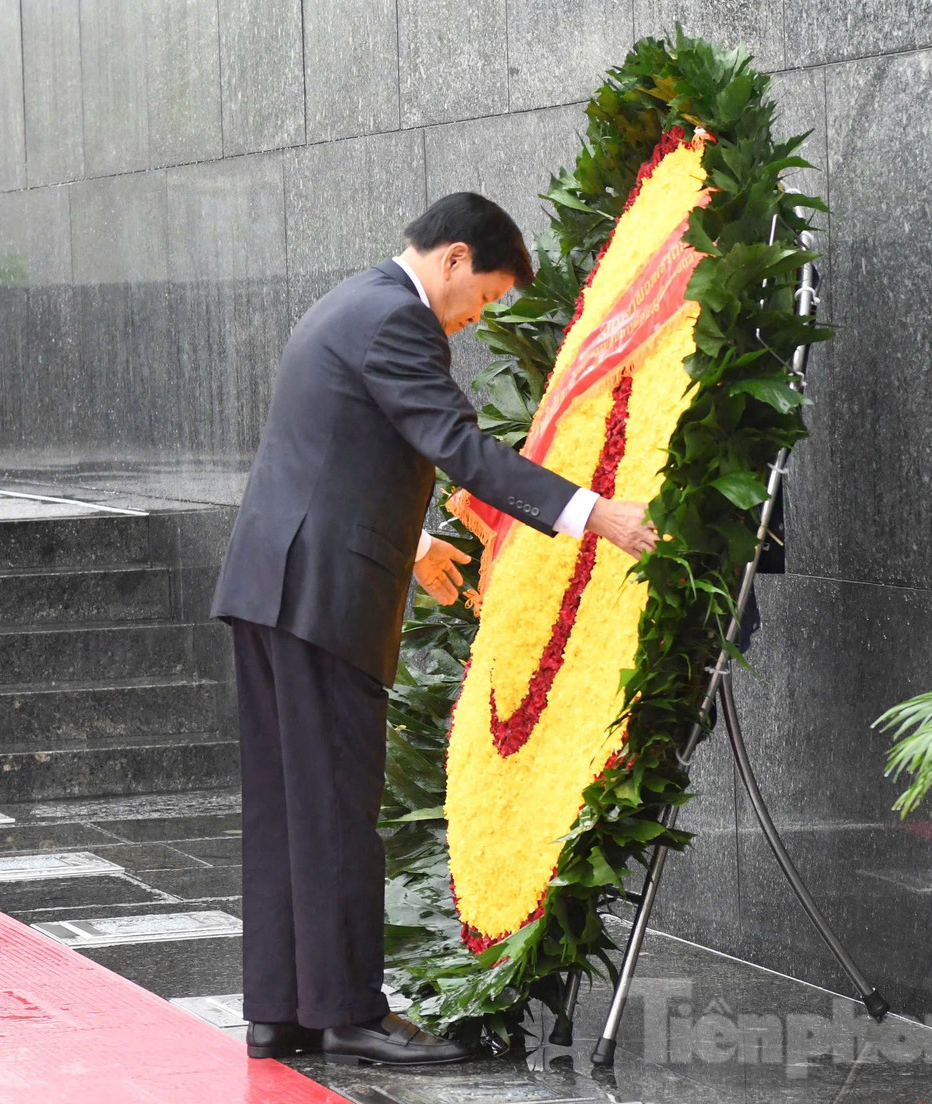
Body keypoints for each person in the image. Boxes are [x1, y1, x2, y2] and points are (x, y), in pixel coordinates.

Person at [210, 192, 658, 1067]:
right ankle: (348, 1013)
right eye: (484, 296)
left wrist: (414, 542)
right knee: (337, 806)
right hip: (321, 595)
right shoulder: (397, 321)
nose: (476, 316)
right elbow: (459, 443)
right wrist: (592, 511)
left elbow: (331, 446)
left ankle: (280, 1011)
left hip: (271, 582)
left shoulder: (349, 302)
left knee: (285, 807)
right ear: (453, 259)